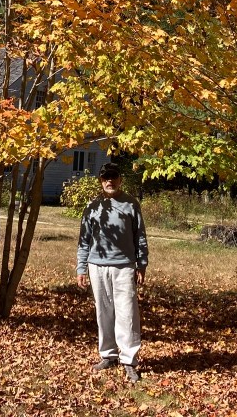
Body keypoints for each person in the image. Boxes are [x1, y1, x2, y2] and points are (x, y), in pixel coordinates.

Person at [76, 161, 148, 383]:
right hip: (97, 266)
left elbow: (140, 236)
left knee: (127, 313)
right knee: (103, 312)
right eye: (106, 178)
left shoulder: (131, 204)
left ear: (120, 179)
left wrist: (142, 264)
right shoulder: (92, 206)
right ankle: (108, 355)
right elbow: (84, 239)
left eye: (113, 177)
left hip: (124, 266)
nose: (110, 181)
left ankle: (129, 361)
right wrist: (81, 267)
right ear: (101, 181)